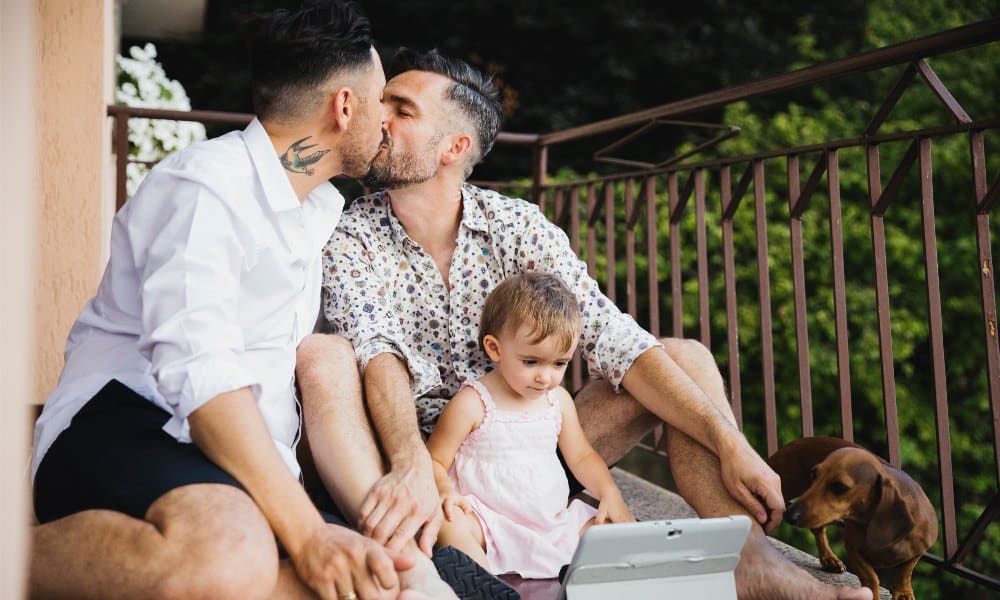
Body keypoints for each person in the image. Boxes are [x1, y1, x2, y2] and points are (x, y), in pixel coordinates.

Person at [299, 46, 873, 599]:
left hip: (522, 455)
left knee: (687, 356)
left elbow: (611, 335)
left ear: (454, 147)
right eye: (383, 104)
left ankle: (748, 560)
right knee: (328, 358)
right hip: (427, 468)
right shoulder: (352, 235)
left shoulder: (515, 224)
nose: (378, 118)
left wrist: (731, 444)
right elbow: (380, 354)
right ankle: (430, 549)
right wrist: (413, 466)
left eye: (402, 109)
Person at [28, 4, 457, 599]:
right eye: (381, 99)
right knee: (229, 557)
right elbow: (200, 379)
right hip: (127, 418)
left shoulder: (321, 210)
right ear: (344, 107)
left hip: (237, 463)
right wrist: (308, 534)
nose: (387, 119)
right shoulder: (205, 188)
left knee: (388, 588)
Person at [428, 272, 634, 577]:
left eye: (559, 364)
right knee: (450, 523)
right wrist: (444, 492)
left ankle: (630, 578)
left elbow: (580, 456)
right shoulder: (473, 403)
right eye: (531, 362)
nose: (545, 377)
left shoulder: (557, 402)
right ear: (495, 349)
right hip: (489, 522)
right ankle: (481, 583)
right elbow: (433, 459)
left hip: (551, 523)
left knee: (609, 529)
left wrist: (609, 493)